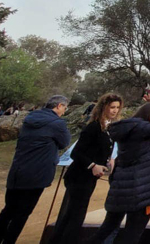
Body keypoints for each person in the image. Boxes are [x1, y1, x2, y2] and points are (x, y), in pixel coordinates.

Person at [87, 87, 150, 244]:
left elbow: (146, 125)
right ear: (149, 117)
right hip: (142, 190)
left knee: (107, 228)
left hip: (120, 189)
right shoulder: (143, 129)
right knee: (132, 234)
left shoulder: (126, 128)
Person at [0, 95, 71, 244]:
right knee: (22, 213)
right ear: (58, 106)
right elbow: (64, 142)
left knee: (8, 211)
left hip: (18, 170)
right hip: (38, 173)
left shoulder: (30, 118)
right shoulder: (57, 123)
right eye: (64, 107)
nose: (64, 111)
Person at [50, 93, 122, 244]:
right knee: (76, 216)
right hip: (79, 177)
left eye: (117, 107)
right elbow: (77, 153)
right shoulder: (94, 127)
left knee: (71, 214)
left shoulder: (108, 128)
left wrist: (108, 161)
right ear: (104, 107)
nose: (115, 110)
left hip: (89, 178)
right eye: (112, 107)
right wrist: (93, 165)